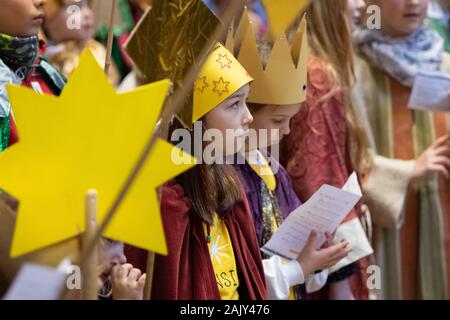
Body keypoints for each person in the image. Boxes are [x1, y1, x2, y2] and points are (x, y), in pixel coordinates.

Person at [353, 0, 450, 299]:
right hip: (388, 225)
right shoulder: (354, 71)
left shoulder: (445, 62)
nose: (414, 3)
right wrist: (407, 171)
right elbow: (342, 161)